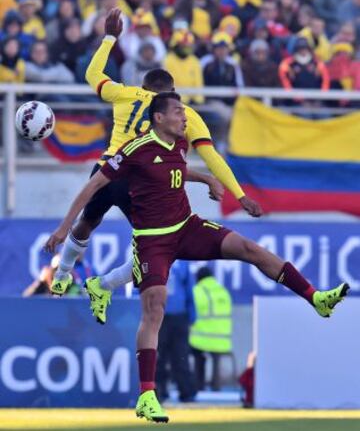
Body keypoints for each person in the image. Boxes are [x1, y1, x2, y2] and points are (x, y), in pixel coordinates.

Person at [45, 91, 349, 423]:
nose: (185, 116)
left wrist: (206, 178)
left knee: (250, 249)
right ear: (159, 118)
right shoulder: (134, 150)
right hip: (152, 240)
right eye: (178, 112)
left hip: (187, 227)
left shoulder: (179, 143)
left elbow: (175, 170)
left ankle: (316, 297)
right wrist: (63, 228)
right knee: (155, 305)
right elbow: (93, 186)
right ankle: (147, 395)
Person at [49, 8, 261, 299]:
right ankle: (105, 285)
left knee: (87, 222)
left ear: (144, 87)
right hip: (140, 181)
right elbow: (212, 158)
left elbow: (92, 74)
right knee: (156, 244)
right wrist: (239, 194)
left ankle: (62, 274)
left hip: (107, 167)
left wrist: (110, 37)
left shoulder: (125, 94)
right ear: (172, 93)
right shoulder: (182, 113)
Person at [156, 261, 197, 403]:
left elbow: (189, 288)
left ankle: (186, 392)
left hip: (178, 316)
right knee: (158, 356)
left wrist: (191, 313)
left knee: (181, 355)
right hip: (157, 315)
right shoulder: (152, 256)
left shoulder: (183, 263)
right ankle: (158, 391)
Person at [189, 266, 233, 392]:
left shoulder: (198, 290)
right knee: (215, 356)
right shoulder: (223, 291)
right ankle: (216, 386)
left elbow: (191, 312)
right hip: (223, 340)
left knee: (195, 353)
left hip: (202, 339)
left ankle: (199, 386)